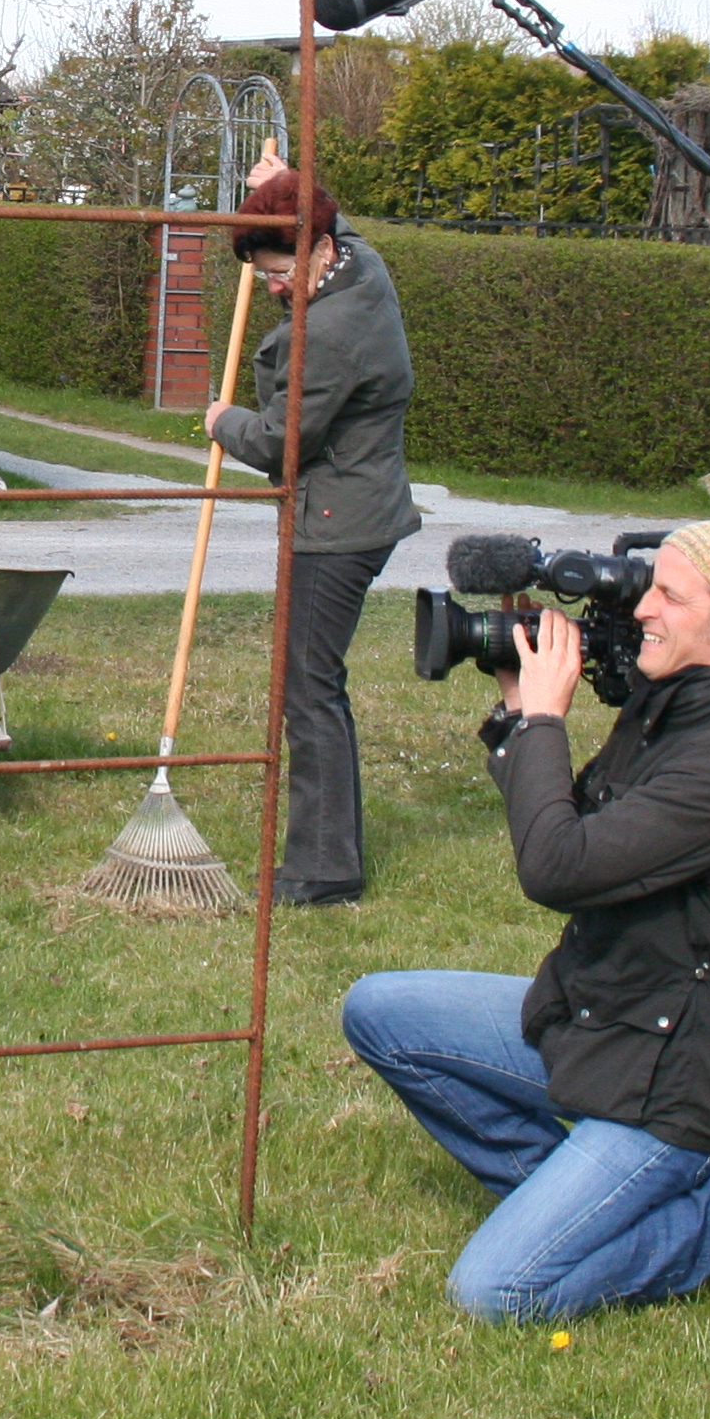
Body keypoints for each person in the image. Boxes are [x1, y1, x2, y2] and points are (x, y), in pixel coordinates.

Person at [342, 519, 710, 1325]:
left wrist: (544, 723)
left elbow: (556, 868)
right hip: (602, 1019)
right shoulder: (667, 708)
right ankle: (575, 1202)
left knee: (496, 1290)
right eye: (650, 589)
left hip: (678, 1081)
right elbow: (577, 835)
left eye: (672, 598)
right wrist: (517, 713)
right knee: (379, 1010)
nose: (644, 611)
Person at [204, 165, 419, 904]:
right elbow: (337, 219)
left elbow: (278, 442)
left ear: (319, 250)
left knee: (308, 689)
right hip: (360, 508)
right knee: (314, 683)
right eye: (263, 274)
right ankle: (328, 857)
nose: (271, 287)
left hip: (337, 525)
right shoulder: (361, 264)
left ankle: (324, 871)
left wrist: (222, 421)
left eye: (278, 272)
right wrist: (285, 182)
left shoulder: (329, 332)